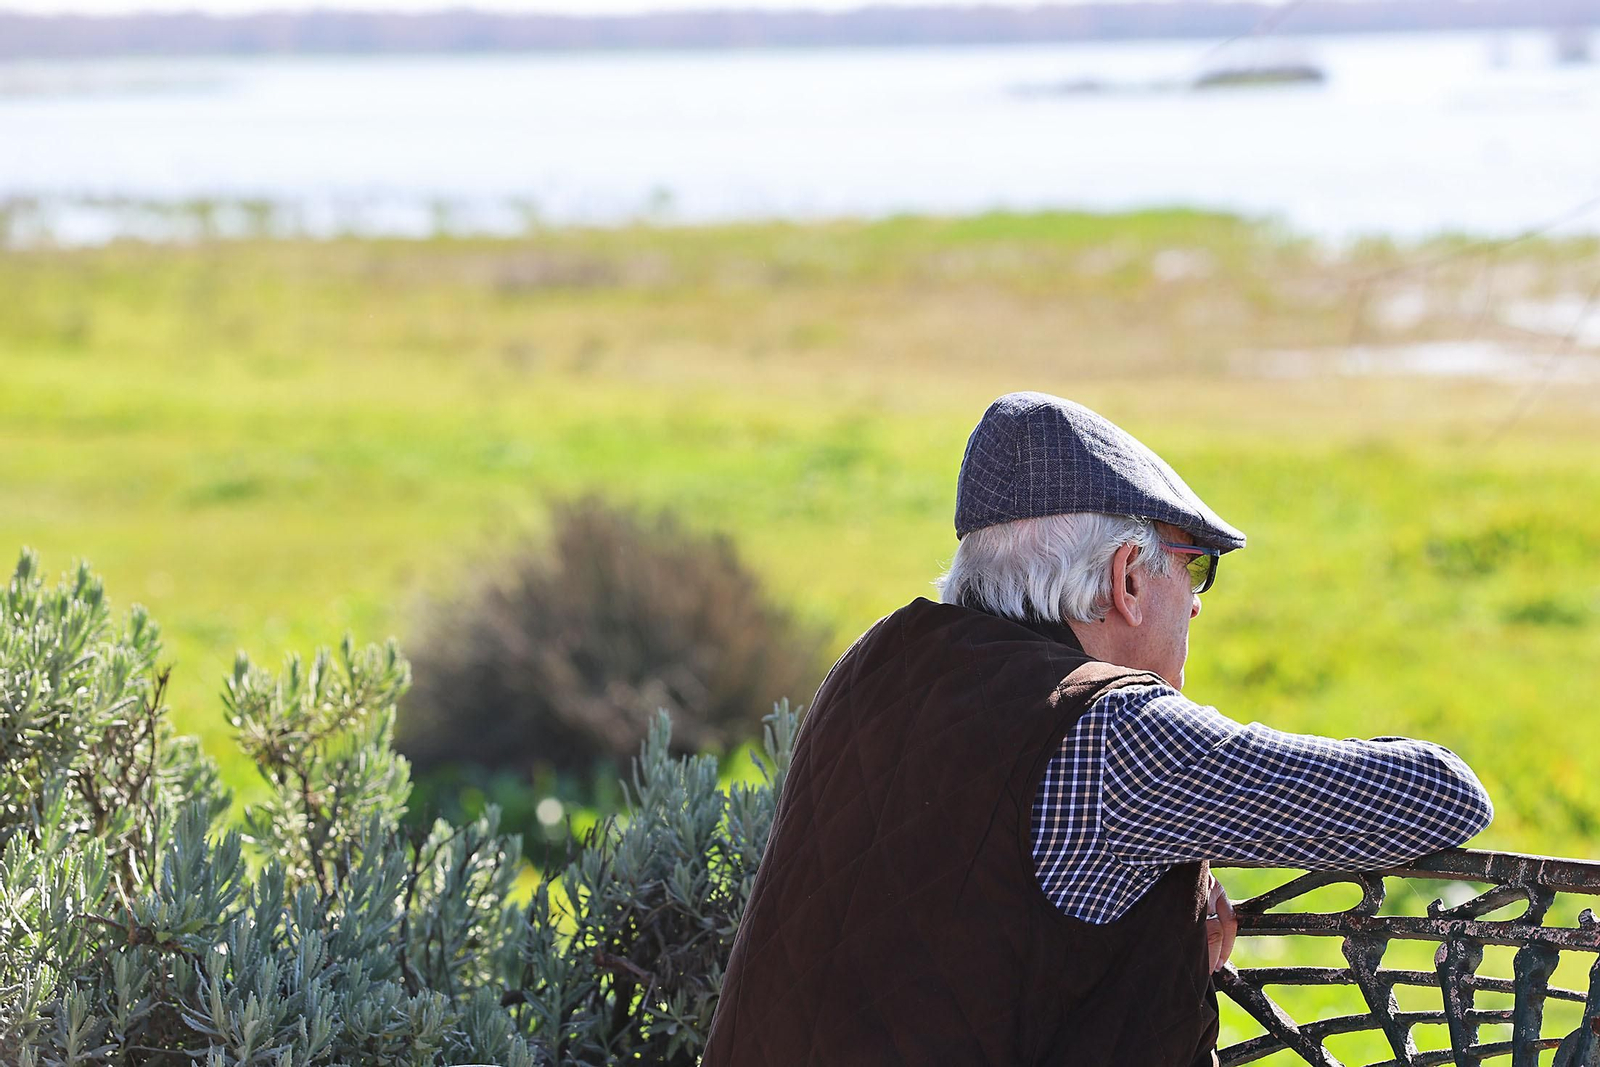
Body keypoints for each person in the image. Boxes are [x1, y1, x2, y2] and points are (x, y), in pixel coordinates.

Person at [703, 390, 1493, 1067]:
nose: (1196, 602)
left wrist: (1177, 873)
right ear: (1125, 579)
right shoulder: (1112, 729)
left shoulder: (874, 662)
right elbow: (1441, 795)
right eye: (1193, 565)